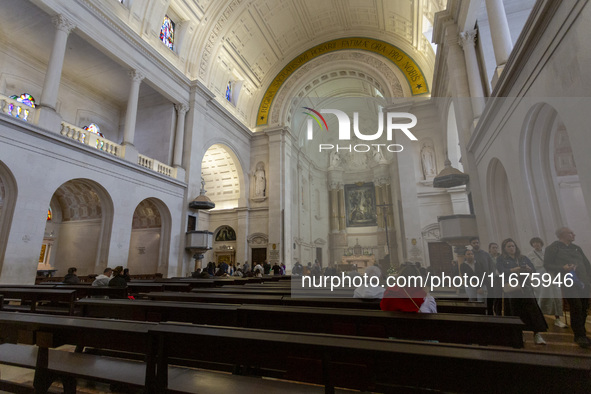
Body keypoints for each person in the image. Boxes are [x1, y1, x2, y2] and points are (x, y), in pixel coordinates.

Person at [545, 227, 591, 348]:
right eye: (571, 233)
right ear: (562, 235)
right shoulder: (553, 248)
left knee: (584, 307)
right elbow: (547, 265)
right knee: (576, 306)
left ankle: (583, 334)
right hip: (568, 282)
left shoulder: (576, 248)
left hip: (584, 282)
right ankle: (579, 335)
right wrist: (562, 268)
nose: (573, 234)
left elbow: (586, 264)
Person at [497, 238, 547, 345]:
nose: (512, 248)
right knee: (515, 311)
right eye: (509, 246)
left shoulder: (523, 257)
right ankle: (518, 334)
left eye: (513, 246)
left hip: (526, 287)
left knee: (532, 310)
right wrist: (512, 270)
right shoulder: (501, 259)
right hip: (512, 287)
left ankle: (537, 334)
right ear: (504, 249)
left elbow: (533, 269)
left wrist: (529, 269)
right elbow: (501, 271)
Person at [527, 237, 567, 328]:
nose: (536, 244)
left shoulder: (548, 252)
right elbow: (530, 268)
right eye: (534, 243)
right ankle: (540, 320)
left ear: (541, 243)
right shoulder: (530, 255)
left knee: (555, 296)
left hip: (551, 275)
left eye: (537, 242)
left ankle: (557, 319)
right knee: (541, 297)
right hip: (539, 277)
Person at [470, 237, 497, 315]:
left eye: (477, 242)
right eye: (474, 243)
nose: (476, 244)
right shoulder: (470, 254)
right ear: (471, 244)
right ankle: (480, 315)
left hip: (488, 279)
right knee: (479, 299)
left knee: (490, 297)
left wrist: (492, 277)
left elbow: (491, 266)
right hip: (477, 280)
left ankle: (490, 313)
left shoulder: (485, 254)